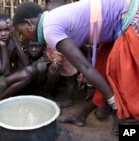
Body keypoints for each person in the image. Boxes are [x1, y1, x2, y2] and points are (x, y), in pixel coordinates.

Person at [12, 0, 139, 135]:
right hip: (123, 20)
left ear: (29, 24)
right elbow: (81, 47)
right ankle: (81, 115)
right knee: (103, 74)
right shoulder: (52, 18)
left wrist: (113, 101)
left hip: (130, 20)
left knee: (128, 102)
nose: (23, 36)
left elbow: (85, 67)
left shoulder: (50, 30)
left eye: (21, 32)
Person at [0, 14, 37, 108]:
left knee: (32, 70)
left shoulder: (11, 44)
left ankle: (11, 97)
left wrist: (15, 39)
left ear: (12, 30)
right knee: (25, 75)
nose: (3, 33)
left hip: (3, 79)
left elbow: (26, 64)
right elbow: (5, 72)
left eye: (6, 30)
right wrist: (2, 46)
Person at [43, 0, 78, 108]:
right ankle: (51, 93)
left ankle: (70, 100)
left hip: (66, 60)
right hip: (59, 57)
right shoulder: (58, 22)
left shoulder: (62, 26)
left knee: (70, 81)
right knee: (67, 80)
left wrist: (57, 61)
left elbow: (60, 47)